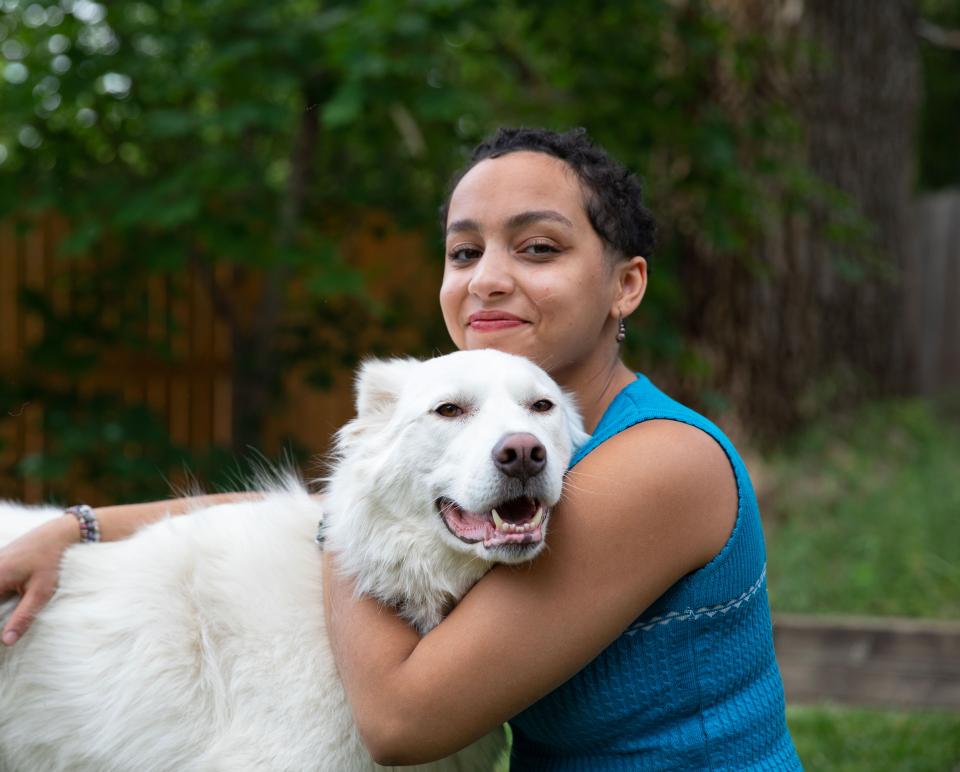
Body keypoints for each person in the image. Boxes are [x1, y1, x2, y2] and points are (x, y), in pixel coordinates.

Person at [0, 127, 801, 770]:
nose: (487, 278)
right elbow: (336, 510)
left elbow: (400, 720)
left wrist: (356, 505)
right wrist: (83, 528)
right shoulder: (523, 456)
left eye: (538, 248)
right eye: (464, 252)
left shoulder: (659, 463)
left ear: (626, 285)